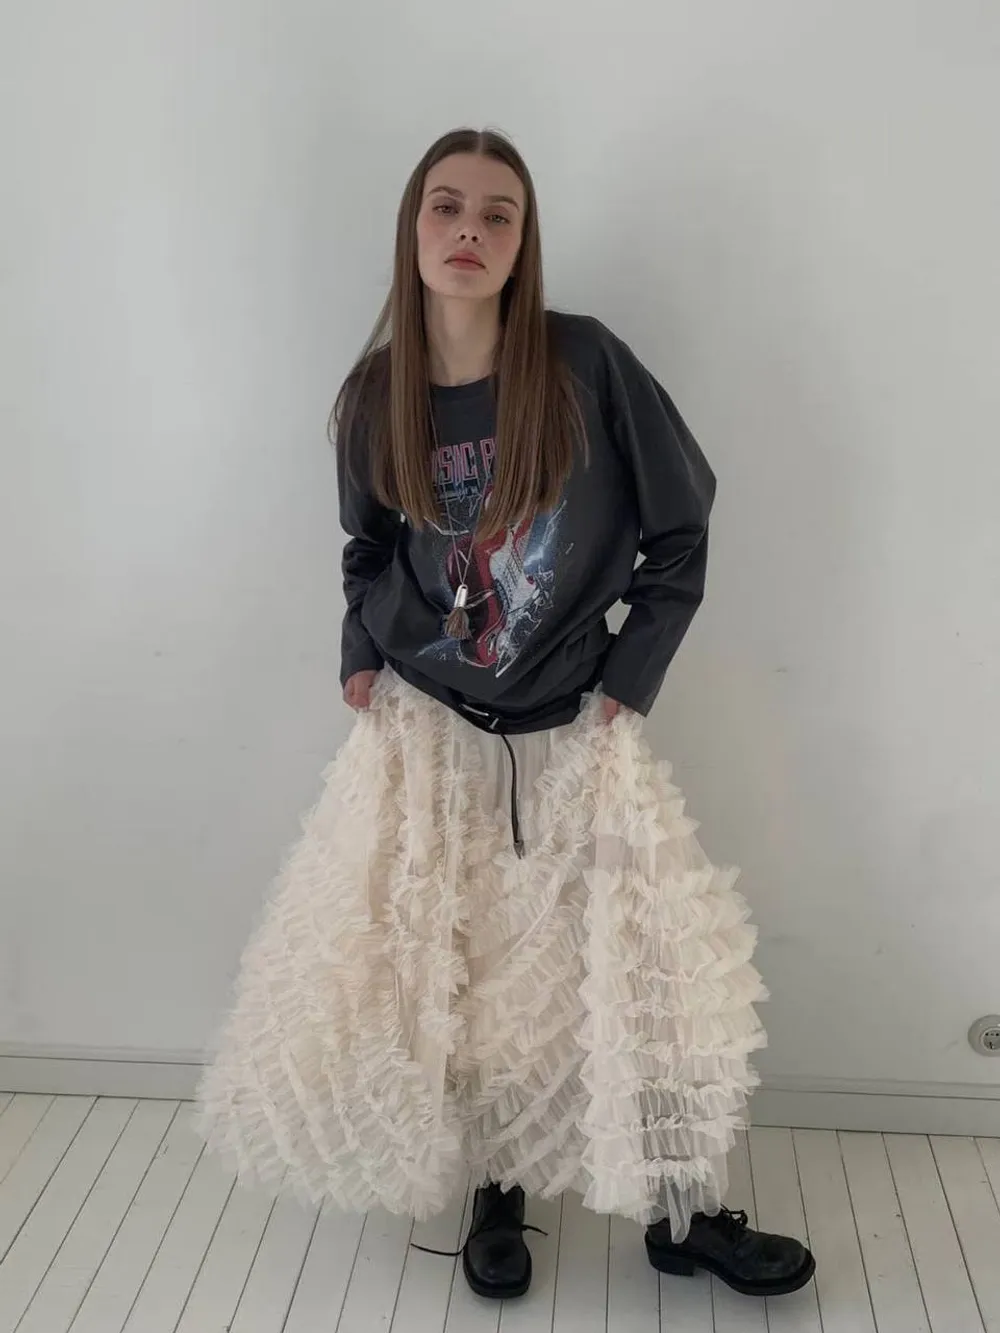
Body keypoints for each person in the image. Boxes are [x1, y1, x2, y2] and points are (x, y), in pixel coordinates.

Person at [195, 127, 815, 1304]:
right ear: (412, 228)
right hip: (429, 724)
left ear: (524, 243)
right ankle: (498, 1192)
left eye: (497, 213)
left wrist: (630, 676)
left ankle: (682, 1209)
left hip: (574, 721)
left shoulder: (583, 365)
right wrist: (360, 653)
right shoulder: (375, 396)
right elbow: (366, 547)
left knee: (644, 964)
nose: (469, 231)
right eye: (446, 207)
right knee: (469, 966)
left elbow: (680, 531)